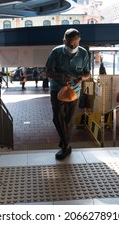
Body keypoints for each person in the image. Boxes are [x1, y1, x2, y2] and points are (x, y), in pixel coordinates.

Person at [45, 28, 90, 160]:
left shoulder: (83, 53)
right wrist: (60, 76)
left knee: (69, 121)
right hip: (57, 91)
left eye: (75, 44)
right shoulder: (56, 52)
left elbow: (88, 73)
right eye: (69, 44)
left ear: (79, 41)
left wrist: (81, 78)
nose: (72, 46)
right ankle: (66, 145)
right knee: (57, 118)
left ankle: (64, 145)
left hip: (74, 92)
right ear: (64, 41)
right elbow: (47, 72)